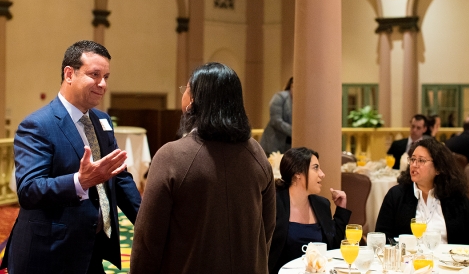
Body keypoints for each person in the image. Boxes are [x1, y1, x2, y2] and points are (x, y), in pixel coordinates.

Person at [0, 40, 142, 274]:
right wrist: (80, 181)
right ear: (69, 73)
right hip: (49, 252)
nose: (103, 84)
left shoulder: (102, 121)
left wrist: (147, 221)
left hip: (92, 247)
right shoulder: (37, 125)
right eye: (94, 74)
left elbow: (119, 177)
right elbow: (29, 190)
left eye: (106, 76)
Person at [130, 62, 276, 274]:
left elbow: (148, 241)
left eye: (186, 89)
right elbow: (268, 226)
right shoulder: (256, 153)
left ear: (193, 101)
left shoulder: (172, 156)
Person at [375, 138, 469, 245]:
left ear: (438, 168)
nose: (414, 165)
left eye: (421, 161)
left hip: (447, 262)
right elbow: (382, 238)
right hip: (409, 262)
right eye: (413, 159)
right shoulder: (396, 196)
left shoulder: (457, 198)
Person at [268, 147, 351, 274]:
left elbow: (333, 247)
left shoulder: (321, 204)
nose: (322, 174)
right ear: (298, 173)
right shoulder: (274, 205)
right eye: (316, 168)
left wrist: (341, 210)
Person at [260, 77, 293, 155]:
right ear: (292, 85)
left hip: (289, 146)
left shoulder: (301, 100)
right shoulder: (280, 97)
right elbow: (276, 121)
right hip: (273, 143)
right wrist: (294, 131)